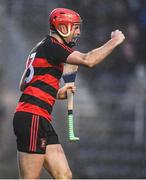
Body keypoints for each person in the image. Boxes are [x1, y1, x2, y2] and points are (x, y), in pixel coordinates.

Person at [13, 8, 125, 179]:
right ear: (63, 27)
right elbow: (88, 60)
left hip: (39, 118)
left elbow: (24, 84)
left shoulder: (40, 47)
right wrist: (115, 41)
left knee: (64, 175)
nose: (78, 32)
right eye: (75, 27)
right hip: (32, 116)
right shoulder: (54, 47)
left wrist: (57, 93)